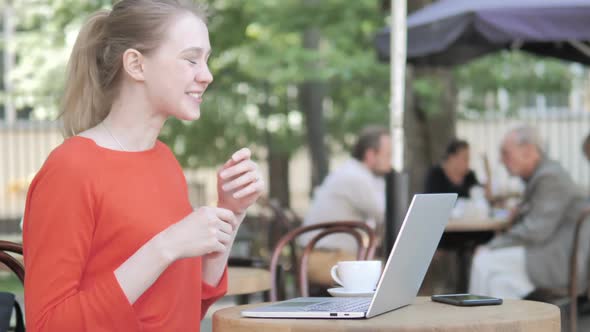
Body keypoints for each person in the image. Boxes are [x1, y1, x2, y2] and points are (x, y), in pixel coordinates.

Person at [22, 1, 264, 331]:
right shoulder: (71, 169)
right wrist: (166, 246)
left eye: (206, 60)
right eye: (191, 59)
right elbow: (48, 325)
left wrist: (232, 212)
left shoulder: (164, 161)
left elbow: (186, 307)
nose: (206, 75)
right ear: (136, 65)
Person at [469, 126, 588, 299]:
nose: (501, 160)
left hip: (559, 262)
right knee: (499, 284)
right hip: (548, 255)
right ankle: (499, 325)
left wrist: (491, 245)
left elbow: (535, 231)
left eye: (505, 153)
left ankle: (473, 323)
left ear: (529, 150)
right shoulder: (545, 174)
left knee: (483, 261)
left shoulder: (550, 176)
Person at [300, 126, 391, 286]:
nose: (390, 162)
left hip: (328, 255)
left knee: (389, 271)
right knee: (393, 275)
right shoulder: (356, 177)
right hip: (323, 258)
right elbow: (386, 213)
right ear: (370, 155)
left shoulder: (356, 173)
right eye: (387, 155)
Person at [424, 139, 490, 199]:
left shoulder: (469, 176)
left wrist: (487, 172)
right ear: (452, 158)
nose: (468, 163)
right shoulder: (435, 175)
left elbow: (485, 195)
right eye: (465, 158)